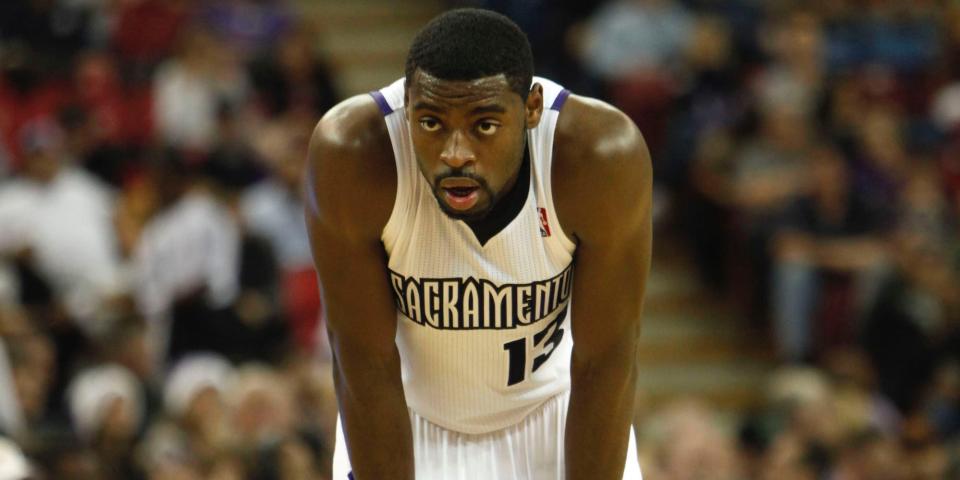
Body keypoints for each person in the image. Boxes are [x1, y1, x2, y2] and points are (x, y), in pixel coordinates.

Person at [304, 9, 651, 479]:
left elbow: (604, 359)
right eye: (430, 123)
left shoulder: (598, 157)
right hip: (406, 416)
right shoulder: (352, 155)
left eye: (483, 125)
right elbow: (363, 360)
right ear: (408, 105)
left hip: (555, 409)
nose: (455, 153)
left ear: (530, 109)